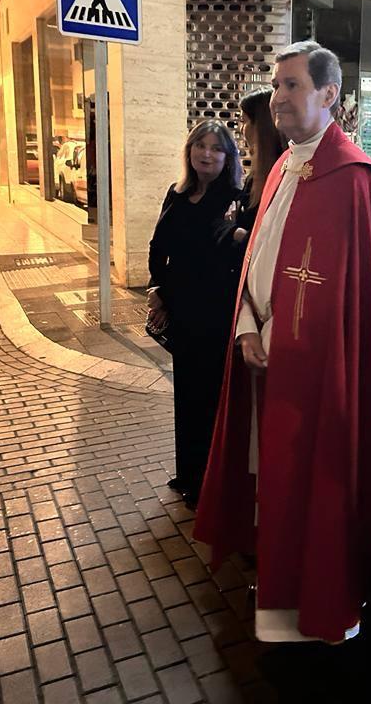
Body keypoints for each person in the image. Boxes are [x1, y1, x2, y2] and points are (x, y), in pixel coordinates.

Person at [193, 41, 371, 645]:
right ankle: (277, 581)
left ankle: (317, 599)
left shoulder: (351, 177)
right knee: (266, 472)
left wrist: (293, 345)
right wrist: (249, 327)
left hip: (312, 368)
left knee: (311, 476)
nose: (278, 97)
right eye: (276, 85)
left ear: (328, 94)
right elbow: (258, 260)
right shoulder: (280, 164)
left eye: (292, 85)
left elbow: (348, 296)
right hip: (262, 352)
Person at [147, 119, 243, 507]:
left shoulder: (234, 199)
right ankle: (187, 471)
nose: (207, 154)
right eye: (200, 146)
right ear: (189, 151)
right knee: (185, 396)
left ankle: (207, 481)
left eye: (216, 148)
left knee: (209, 400)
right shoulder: (177, 193)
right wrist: (157, 287)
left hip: (215, 316)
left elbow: (229, 259)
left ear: (228, 156)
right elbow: (158, 245)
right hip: (182, 311)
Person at [234, 87, 287, 252]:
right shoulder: (256, 175)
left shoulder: (283, 175)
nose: (241, 129)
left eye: (245, 121)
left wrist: (238, 233)